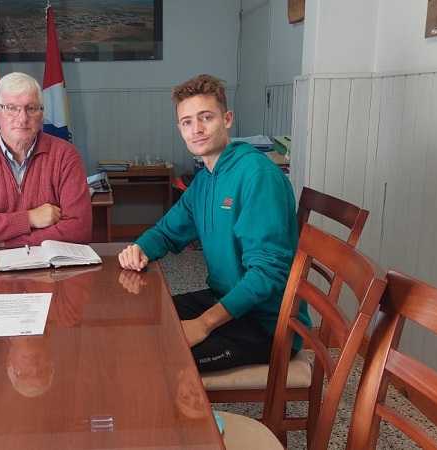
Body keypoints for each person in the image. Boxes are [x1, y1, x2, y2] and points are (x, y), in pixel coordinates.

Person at [118, 74, 310, 373]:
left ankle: (180, 419)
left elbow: (267, 275)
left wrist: (204, 324)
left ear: (227, 119)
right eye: (187, 122)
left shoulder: (257, 176)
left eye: (206, 117)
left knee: (158, 356)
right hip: (225, 300)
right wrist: (140, 247)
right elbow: (168, 231)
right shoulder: (206, 177)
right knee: (142, 319)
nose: (196, 129)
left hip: (267, 323)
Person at [0, 72, 92, 249]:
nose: (22, 119)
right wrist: (28, 218)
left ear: (41, 114)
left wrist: (7, 242)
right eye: (12, 108)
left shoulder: (65, 155)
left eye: (31, 108)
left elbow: (79, 229)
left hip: (51, 270)